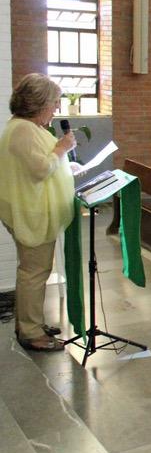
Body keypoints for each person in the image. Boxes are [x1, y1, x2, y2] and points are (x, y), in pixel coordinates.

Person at [0, 74, 78, 352]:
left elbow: (43, 166)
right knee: (34, 272)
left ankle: (29, 323)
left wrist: (66, 164)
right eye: (54, 103)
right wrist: (62, 147)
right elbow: (39, 169)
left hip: (33, 208)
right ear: (39, 103)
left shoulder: (29, 127)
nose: (56, 109)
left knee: (35, 270)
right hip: (30, 211)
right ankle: (31, 333)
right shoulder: (23, 129)